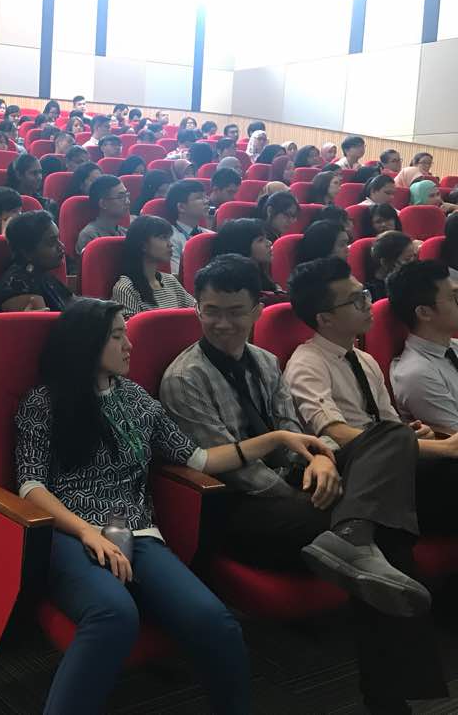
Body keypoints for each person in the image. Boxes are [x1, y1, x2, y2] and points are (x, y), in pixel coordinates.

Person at [163, 254, 444, 713]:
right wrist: (305, 491)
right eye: (210, 310)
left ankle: (353, 534)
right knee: (383, 526)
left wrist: (322, 462)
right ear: (197, 308)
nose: (222, 323)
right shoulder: (185, 377)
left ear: (257, 310)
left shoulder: (264, 361)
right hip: (244, 510)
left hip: (296, 486)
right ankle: (389, 696)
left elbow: (293, 430)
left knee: (390, 436)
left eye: (235, 311)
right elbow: (231, 469)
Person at [16, 297, 250, 713]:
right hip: (67, 532)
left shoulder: (136, 398)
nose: (129, 345)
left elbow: (198, 459)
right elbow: (30, 485)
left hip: (136, 532)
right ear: (87, 343)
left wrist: (278, 440)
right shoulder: (45, 401)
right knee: (114, 614)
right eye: (116, 336)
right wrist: (86, 532)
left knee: (214, 621)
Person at [390, 260, 458, 439]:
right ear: (424, 313)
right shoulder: (417, 374)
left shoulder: (452, 346)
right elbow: (454, 441)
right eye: (454, 297)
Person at [0, 210, 71, 312]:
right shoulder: (19, 287)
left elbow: (74, 302)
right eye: (51, 242)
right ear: (27, 252)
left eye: (58, 239)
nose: (61, 246)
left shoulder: (40, 272)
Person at [112, 216, 195, 318]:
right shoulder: (126, 288)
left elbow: (197, 312)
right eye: (163, 238)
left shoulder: (170, 280)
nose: (170, 244)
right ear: (143, 245)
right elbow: (130, 328)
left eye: (169, 238)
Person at [213, 218, 284, 303]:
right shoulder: (233, 286)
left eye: (266, 238)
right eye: (260, 240)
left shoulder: (261, 273)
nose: (269, 243)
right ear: (243, 246)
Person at [165, 180, 211, 274]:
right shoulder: (170, 238)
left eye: (205, 196)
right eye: (199, 197)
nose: (207, 201)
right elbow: (177, 275)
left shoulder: (210, 235)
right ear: (181, 207)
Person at [75, 176, 130, 254]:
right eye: (121, 197)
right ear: (103, 204)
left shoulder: (126, 233)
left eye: (127, 195)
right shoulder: (89, 236)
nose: (127, 201)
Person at [363, 231, 415, 300]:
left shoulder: (415, 276)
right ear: (385, 262)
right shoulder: (374, 291)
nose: (413, 262)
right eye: (407, 259)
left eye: (414, 256)